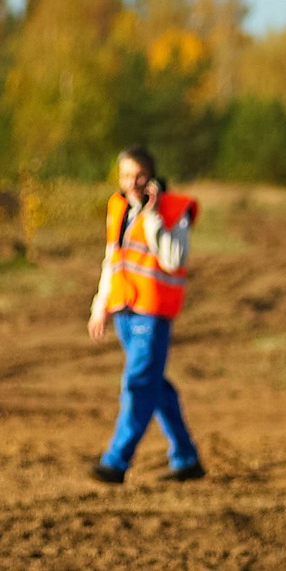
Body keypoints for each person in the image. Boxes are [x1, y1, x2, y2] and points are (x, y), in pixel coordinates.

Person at [88, 145, 203, 486]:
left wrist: (152, 216)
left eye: (138, 175)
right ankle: (186, 458)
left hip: (152, 315)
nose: (132, 182)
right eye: (125, 176)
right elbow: (113, 260)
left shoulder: (174, 209)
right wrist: (100, 306)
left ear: (151, 176)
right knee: (155, 387)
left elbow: (173, 259)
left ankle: (116, 461)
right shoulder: (119, 207)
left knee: (138, 385)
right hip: (125, 310)